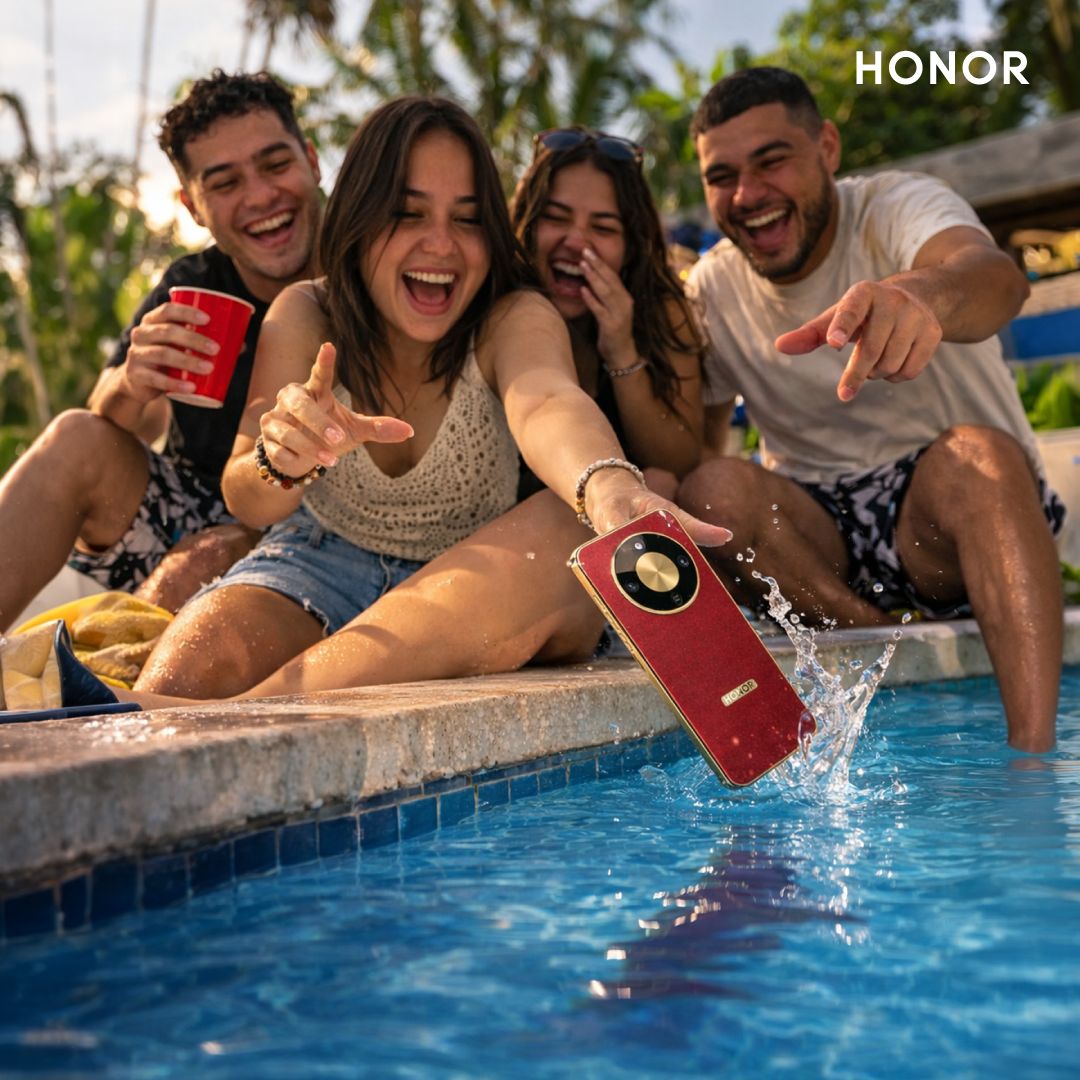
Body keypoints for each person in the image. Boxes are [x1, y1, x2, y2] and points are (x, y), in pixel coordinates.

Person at [116, 95, 729, 706]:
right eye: (408, 214)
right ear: (359, 219)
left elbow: (546, 400)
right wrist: (283, 458)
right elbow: (246, 496)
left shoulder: (514, 315)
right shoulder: (306, 310)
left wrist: (607, 485)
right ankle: (200, 712)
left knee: (566, 521)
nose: (441, 245)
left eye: (467, 219)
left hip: (480, 583)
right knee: (196, 668)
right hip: (318, 562)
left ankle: (239, 716)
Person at [675, 66, 1064, 753]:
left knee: (981, 457)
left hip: (949, 521)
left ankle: (1032, 766)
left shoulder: (894, 205)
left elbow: (998, 279)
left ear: (827, 147)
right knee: (711, 488)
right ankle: (886, 648)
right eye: (721, 176)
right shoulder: (711, 288)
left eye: (772, 161)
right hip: (820, 546)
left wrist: (922, 297)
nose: (747, 195)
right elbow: (699, 450)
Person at [0, 69, 322, 630]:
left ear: (312, 162)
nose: (260, 196)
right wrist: (132, 382)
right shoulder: (191, 285)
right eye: (224, 183)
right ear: (193, 206)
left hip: (336, 527)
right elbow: (112, 422)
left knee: (207, 557)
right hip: (196, 511)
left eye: (275, 165)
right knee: (76, 435)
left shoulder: (374, 260)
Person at [509, 127, 705, 491]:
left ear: (632, 246)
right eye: (556, 218)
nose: (576, 241)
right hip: (513, 511)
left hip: (619, 506)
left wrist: (621, 351)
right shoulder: (493, 302)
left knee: (661, 482)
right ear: (526, 222)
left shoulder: (662, 310)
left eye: (603, 227)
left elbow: (678, 462)